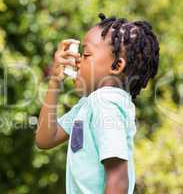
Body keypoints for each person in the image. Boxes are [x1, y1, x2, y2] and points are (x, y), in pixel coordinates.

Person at [35, 13, 159, 194]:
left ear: (116, 66)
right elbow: (45, 138)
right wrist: (55, 81)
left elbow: (118, 180)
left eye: (86, 54)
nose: (78, 61)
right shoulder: (89, 105)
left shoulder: (105, 104)